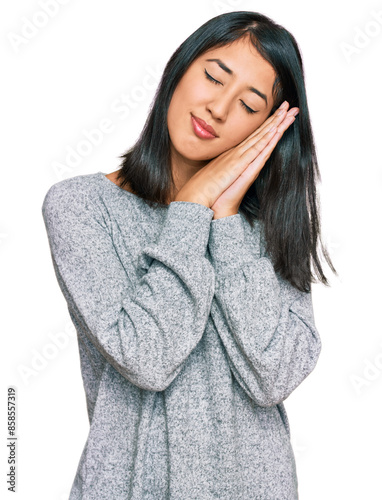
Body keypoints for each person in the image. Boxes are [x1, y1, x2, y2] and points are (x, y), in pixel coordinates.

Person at [41, 11, 336, 500]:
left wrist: (225, 223)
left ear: (267, 127)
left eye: (248, 104)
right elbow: (147, 358)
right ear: (178, 69)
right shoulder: (79, 207)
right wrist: (190, 210)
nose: (218, 107)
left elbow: (276, 377)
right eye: (214, 76)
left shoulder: (267, 228)